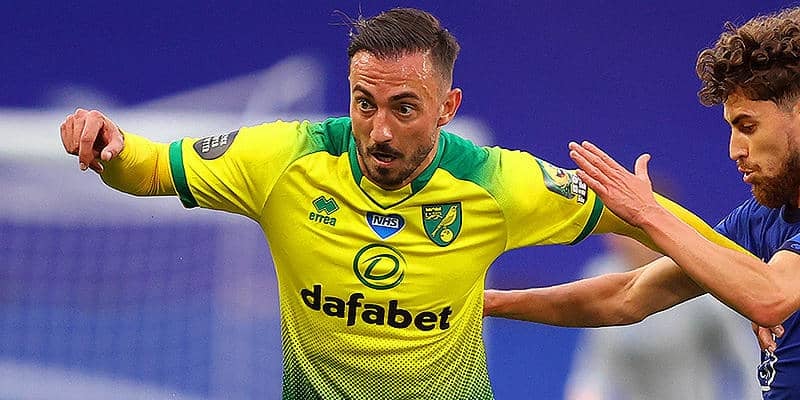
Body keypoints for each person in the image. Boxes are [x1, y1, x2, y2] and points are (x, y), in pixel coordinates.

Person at [59, 8, 747, 400]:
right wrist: (109, 146)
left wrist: (749, 272)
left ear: (448, 107)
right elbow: (150, 167)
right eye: (365, 103)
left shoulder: (496, 183)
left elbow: (651, 221)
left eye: (405, 108)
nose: (380, 130)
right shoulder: (286, 160)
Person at [484, 6, 800, 399]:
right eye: (732, 129)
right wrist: (490, 303)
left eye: (748, 126)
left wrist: (648, 213)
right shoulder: (760, 220)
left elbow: (770, 298)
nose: (735, 150)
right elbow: (627, 295)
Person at [565, 233, 760, 400]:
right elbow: (596, 365)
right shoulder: (600, 279)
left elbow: (747, 359)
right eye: (614, 229)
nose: (622, 239)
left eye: (628, 228)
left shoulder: (698, 281)